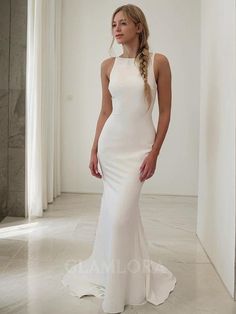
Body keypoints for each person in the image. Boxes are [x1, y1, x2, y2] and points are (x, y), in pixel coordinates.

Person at [62, 4, 177, 313]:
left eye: (123, 22)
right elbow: (105, 111)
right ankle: (124, 278)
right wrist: (94, 148)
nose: (116, 27)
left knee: (122, 216)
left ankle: (121, 290)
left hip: (139, 150)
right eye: (113, 23)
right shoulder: (107, 65)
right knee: (118, 217)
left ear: (138, 27)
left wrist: (155, 153)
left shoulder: (159, 62)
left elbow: (165, 112)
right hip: (111, 149)